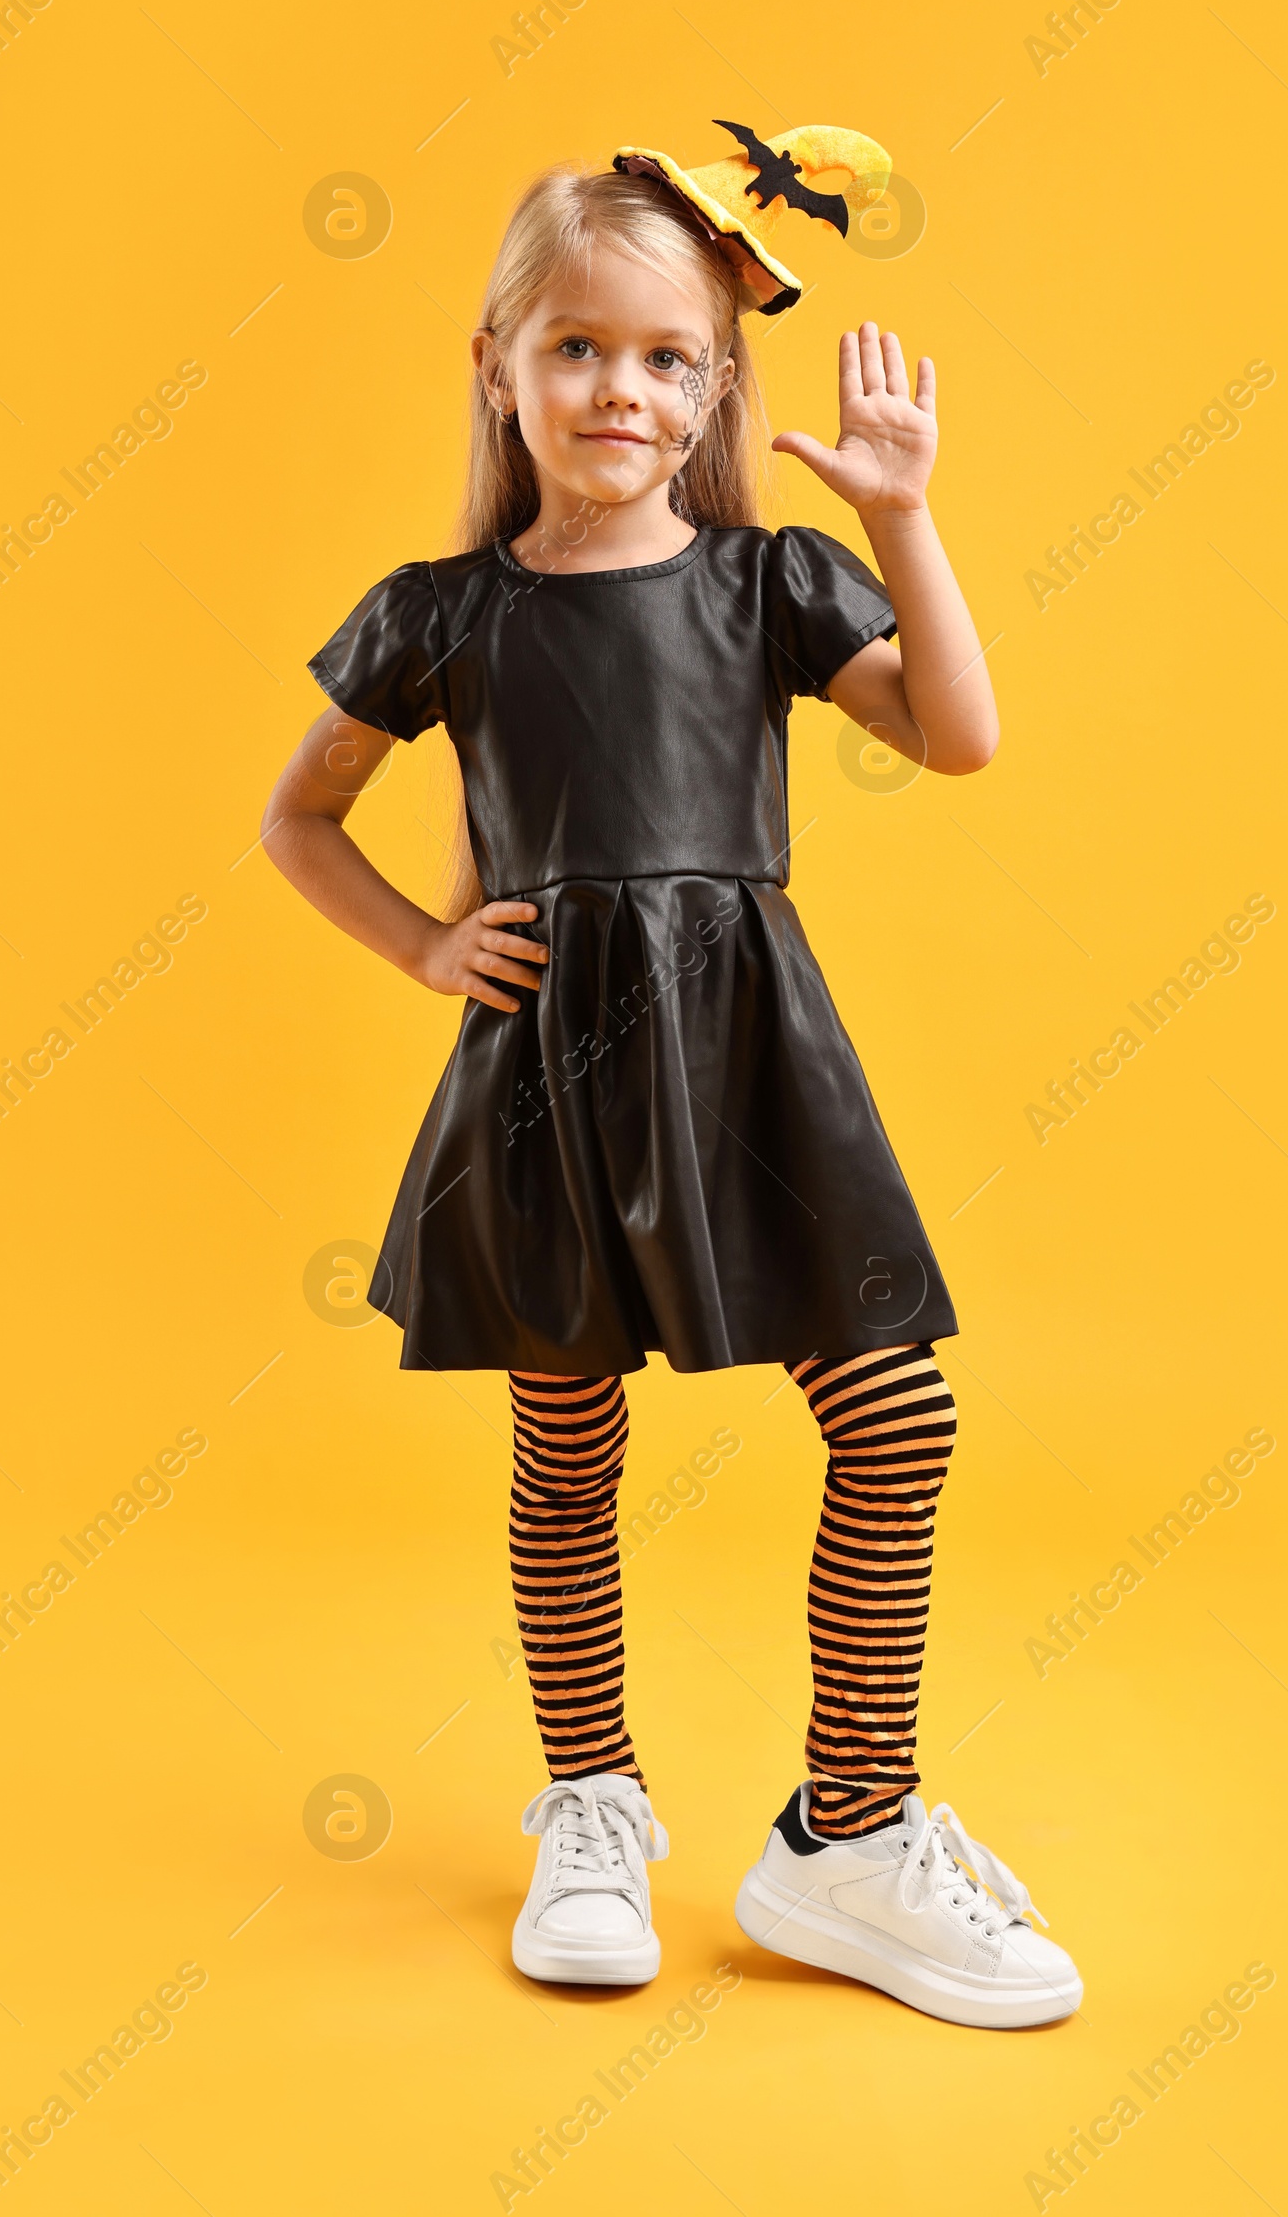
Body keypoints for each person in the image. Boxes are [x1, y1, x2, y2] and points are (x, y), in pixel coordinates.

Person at [263, 123, 1082, 2026]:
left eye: (663, 358)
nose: (617, 389)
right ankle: (590, 1802)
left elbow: (956, 738)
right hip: (552, 1061)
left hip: (747, 1064)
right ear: (498, 364)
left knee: (895, 1419)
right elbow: (301, 821)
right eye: (574, 348)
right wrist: (424, 943)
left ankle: (851, 1839)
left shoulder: (769, 582)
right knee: (567, 1446)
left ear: (716, 384)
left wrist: (902, 517)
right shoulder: (443, 612)